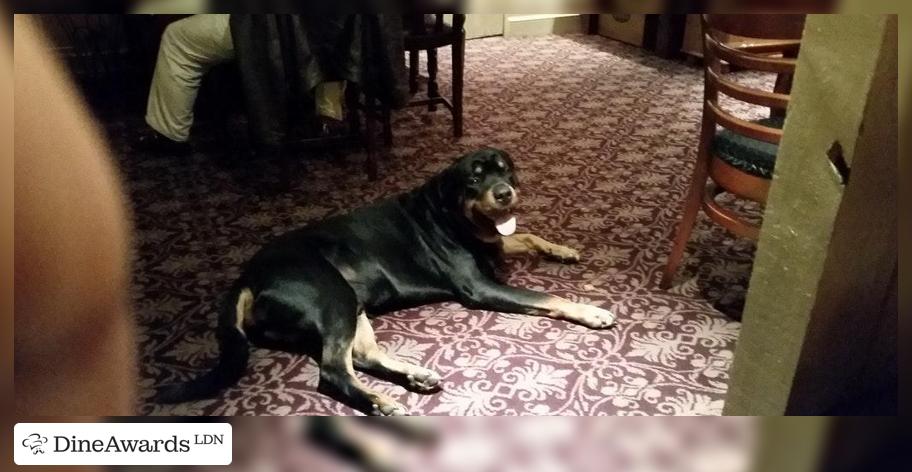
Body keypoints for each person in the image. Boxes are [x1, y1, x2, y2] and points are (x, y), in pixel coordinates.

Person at [141, 14, 346, 154]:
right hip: (331, 27)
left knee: (176, 36)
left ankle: (169, 133)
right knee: (325, 30)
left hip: (266, 27)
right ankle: (329, 113)